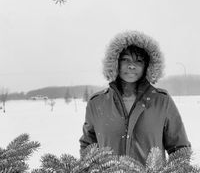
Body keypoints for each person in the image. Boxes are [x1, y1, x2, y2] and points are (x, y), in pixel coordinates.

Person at [79, 30, 191, 165]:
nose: (131, 66)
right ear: (115, 62)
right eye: (125, 59)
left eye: (139, 61)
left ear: (147, 66)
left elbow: (179, 149)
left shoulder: (162, 101)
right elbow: (88, 147)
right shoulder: (96, 103)